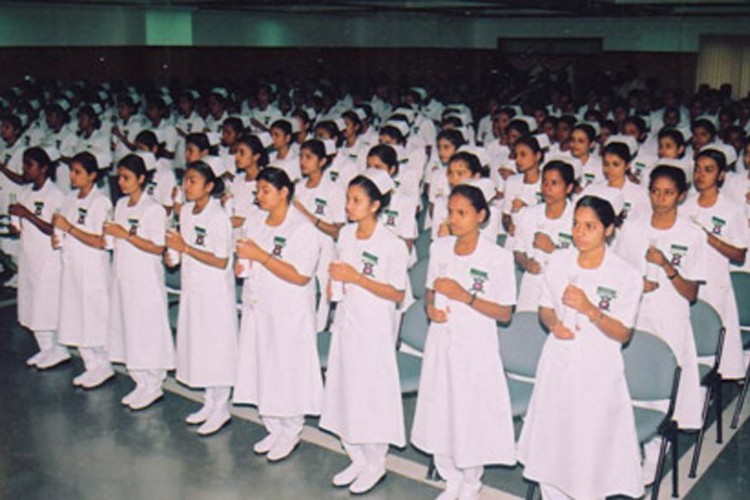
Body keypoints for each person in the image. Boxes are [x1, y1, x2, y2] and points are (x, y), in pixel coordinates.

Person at [518, 195, 644, 500]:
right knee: (553, 443)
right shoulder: (559, 262)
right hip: (559, 361)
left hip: (597, 369)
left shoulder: (626, 275)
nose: (579, 232)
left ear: (609, 229)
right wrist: (553, 324)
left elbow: (623, 333)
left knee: (588, 449)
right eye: (576, 224)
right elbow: (546, 308)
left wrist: (590, 309)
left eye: (590, 226)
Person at [411, 179, 516, 500]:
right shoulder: (440, 247)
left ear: (481, 216)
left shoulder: (498, 258)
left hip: (476, 347)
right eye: (450, 212)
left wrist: (466, 297)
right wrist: (430, 307)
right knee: (440, 407)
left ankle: (471, 481)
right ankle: (450, 476)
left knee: (470, 413)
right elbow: (430, 288)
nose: (453, 219)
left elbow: (505, 313)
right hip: (441, 341)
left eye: (462, 213)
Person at [320, 168, 408, 494]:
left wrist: (356, 277)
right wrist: (335, 281)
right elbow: (339, 270)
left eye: (356, 200)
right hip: (347, 323)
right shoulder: (344, 234)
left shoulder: (391, 244)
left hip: (374, 330)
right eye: (348, 199)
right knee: (345, 389)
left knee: (371, 395)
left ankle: (375, 462)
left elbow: (397, 292)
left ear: (375, 205)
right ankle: (355, 454)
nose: (349, 205)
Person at [233, 167, 323, 462]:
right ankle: (272, 425)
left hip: (289, 311)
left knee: (287, 369)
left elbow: (300, 276)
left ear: (284, 192)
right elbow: (246, 255)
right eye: (257, 191)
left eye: (265, 191)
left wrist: (261, 256)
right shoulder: (256, 220)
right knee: (263, 365)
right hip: (259, 305)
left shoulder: (302, 229)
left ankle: (291, 429)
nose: (258, 196)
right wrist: (242, 264)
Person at [615, 164, 706, 434]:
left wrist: (668, 267)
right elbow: (617, 273)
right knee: (637, 378)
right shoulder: (632, 228)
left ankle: (658, 447)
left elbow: (691, 293)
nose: (660, 199)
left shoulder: (692, 234)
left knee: (665, 383)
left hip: (670, 316)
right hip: (637, 314)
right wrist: (636, 283)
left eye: (668, 193)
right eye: (655, 191)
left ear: (680, 195)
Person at [165, 160, 238, 436]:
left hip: (215, 292)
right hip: (193, 288)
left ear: (209, 186)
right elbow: (184, 247)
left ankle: (221, 407)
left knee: (216, 348)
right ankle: (210, 402)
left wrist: (185, 247)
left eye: (194, 181)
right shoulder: (185, 212)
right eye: (186, 180)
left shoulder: (218, 217)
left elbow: (220, 260)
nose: (187, 185)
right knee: (200, 346)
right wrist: (174, 254)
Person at [105, 154, 175, 410]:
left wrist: (126, 235)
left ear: (141, 179)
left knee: (147, 330)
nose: (121, 182)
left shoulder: (153, 209)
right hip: (124, 276)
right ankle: (140, 381)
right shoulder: (121, 205)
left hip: (145, 280)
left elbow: (157, 247)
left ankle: (154, 383)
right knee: (129, 329)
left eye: (127, 178)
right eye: (120, 177)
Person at [680, 146, 748, 381]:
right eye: (697, 169)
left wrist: (710, 239)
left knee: (715, 345)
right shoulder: (685, 206)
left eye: (708, 170)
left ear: (720, 175)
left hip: (715, 284)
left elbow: (739, 255)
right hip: (690, 281)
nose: (700, 175)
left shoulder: (732, 209)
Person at [52, 152, 114, 387]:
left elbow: (101, 241)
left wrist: (70, 228)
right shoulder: (69, 198)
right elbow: (61, 225)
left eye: (78, 172)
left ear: (92, 175)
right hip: (72, 266)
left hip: (92, 268)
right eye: (71, 171)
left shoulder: (100, 202)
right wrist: (58, 236)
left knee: (94, 315)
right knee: (75, 314)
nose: (72, 176)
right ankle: (90, 365)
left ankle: (103, 365)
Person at [10, 147, 67, 368]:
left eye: (29, 165)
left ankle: (58, 349)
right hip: (29, 256)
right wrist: (17, 223)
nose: (25, 169)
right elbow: (23, 224)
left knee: (47, 303)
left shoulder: (55, 195)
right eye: (24, 164)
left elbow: (54, 228)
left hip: (48, 258)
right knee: (31, 302)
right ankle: (45, 348)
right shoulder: (25, 192)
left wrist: (27, 215)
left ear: (44, 168)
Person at [293, 139, 346, 330]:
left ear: (322, 161)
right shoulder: (297, 188)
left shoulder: (333, 190)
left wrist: (308, 215)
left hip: (324, 249)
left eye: (308, 157)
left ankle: (318, 333)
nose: (303, 161)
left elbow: (339, 230)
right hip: (299, 247)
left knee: (322, 296)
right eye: (300, 156)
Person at [514, 159, 577, 311]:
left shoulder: (578, 219)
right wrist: (526, 263)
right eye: (545, 183)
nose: (547, 188)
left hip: (563, 291)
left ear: (569, 188)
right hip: (531, 289)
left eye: (554, 183)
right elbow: (518, 251)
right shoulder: (528, 214)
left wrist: (553, 250)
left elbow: (582, 262)